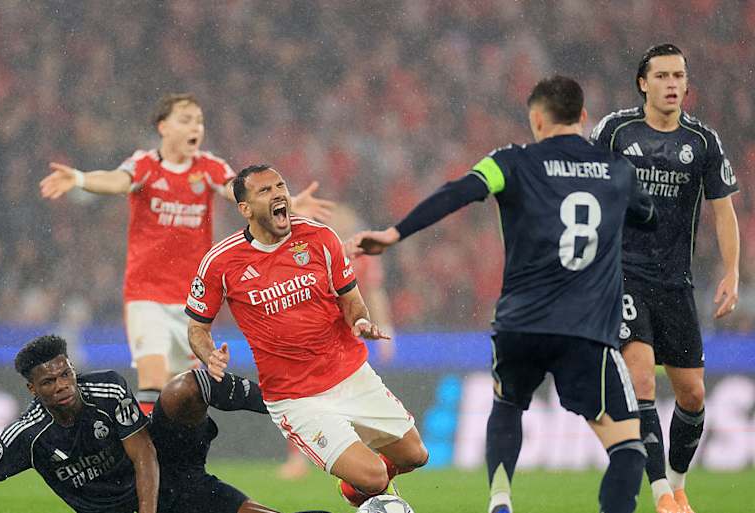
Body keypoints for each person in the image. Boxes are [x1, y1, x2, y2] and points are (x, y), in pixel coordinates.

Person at [349, 76, 658, 513]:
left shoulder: (512, 161)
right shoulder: (616, 170)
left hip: (522, 324)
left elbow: (458, 192)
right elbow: (649, 216)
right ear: (584, 117)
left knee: (507, 402)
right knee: (627, 447)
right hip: (586, 330)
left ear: (536, 118)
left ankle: (499, 500)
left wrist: (394, 234)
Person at [40, 93, 333, 414]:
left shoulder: (208, 167)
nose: (196, 126)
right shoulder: (145, 165)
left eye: (199, 120)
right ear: (163, 127)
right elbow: (116, 181)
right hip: (146, 294)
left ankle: (176, 460)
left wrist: (279, 202)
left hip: (191, 300)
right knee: (152, 378)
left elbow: (234, 190)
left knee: (183, 391)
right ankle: (147, 462)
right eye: (186, 120)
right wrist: (80, 178)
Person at [185, 165, 428, 507]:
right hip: (296, 397)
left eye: (281, 185)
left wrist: (359, 322)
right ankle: (364, 488)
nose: (279, 193)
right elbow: (197, 327)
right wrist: (208, 352)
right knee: (374, 476)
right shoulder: (221, 262)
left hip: (350, 373)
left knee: (415, 455)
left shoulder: (320, 238)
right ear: (245, 209)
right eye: (265, 191)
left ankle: (355, 488)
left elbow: (352, 301)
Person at [589, 43, 740, 513]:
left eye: (679, 76)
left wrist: (732, 271)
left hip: (676, 282)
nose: (673, 84)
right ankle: (659, 495)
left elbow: (724, 211)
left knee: (692, 393)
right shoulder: (615, 131)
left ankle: (675, 484)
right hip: (624, 275)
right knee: (641, 380)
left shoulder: (703, 142)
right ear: (643, 83)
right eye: (663, 76)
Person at [0, 334, 332, 513]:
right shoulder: (27, 436)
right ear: (32, 388)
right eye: (49, 382)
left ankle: (288, 402)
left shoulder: (107, 390)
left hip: (168, 480)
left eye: (65, 375)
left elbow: (144, 451)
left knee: (186, 387)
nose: (62, 386)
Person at [277, 203, 395, 480]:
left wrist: (387, 329)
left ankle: (373, 451)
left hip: (348, 336)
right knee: (306, 396)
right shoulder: (310, 251)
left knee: (347, 393)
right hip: (316, 336)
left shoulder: (364, 258)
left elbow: (375, 293)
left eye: (346, 223)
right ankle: (300, 459)